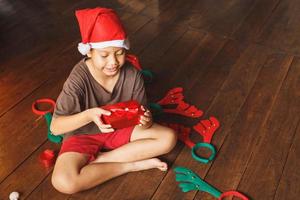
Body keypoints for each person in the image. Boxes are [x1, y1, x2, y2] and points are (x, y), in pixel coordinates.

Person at [50, 7, 177, 194]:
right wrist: (88, 115)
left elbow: (141, 115)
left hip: (120, 128)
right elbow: (55, 127)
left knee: (168, 138)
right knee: (64, 182)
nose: (113, 62)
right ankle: (130, 165)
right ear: (89, 52)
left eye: (119, 53)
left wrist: (146, 119)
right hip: (83, 134)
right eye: (104, 55)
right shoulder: (78, 79)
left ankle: (101, 160)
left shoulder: (132, 74)